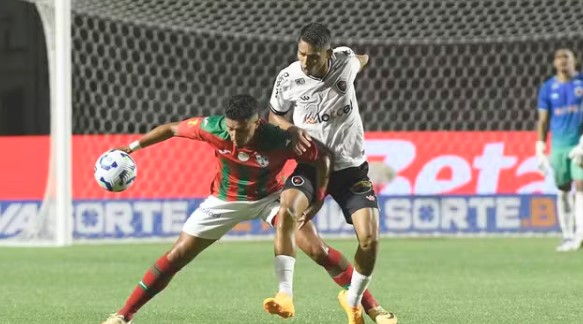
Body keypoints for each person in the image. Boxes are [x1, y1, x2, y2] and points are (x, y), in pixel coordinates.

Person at [101, 94, 332, 324]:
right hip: (224, 200)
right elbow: (171, 129)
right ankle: (123, 315)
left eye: (241, 130)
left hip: (269, 198)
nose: (234, 135)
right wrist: (131, 148)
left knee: (316, 248)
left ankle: (358, 302)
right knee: (176, 256)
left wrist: (318, 198)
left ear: (257, 122)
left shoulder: (277, 139)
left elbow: (322, 157)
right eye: (231, 128)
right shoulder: (213, 128)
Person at [263, 23, 397, 324]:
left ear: (329, 54)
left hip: (351, 169)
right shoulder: (287, 78)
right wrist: (292, 129)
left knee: (370, 241)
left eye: (313, 56)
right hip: (310, 166)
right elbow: (274, 115)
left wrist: (364, 59)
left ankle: (353, 299)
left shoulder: (345, 61)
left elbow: (359, 59)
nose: (306, 61)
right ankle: (284, 294)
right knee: (286, 212)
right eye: (301, 54)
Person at [536, 48, 583, 252]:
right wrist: (540, 147)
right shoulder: (548, 88)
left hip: (579, 144)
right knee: (563, 189)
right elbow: (543, 120)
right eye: (558, 58)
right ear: (555, 63)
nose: (562, 61)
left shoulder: (581, 84)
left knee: (581, 186)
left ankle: (581, 234)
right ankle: (567, 235)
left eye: (567, 58)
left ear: (574, 61)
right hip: (559, 146)